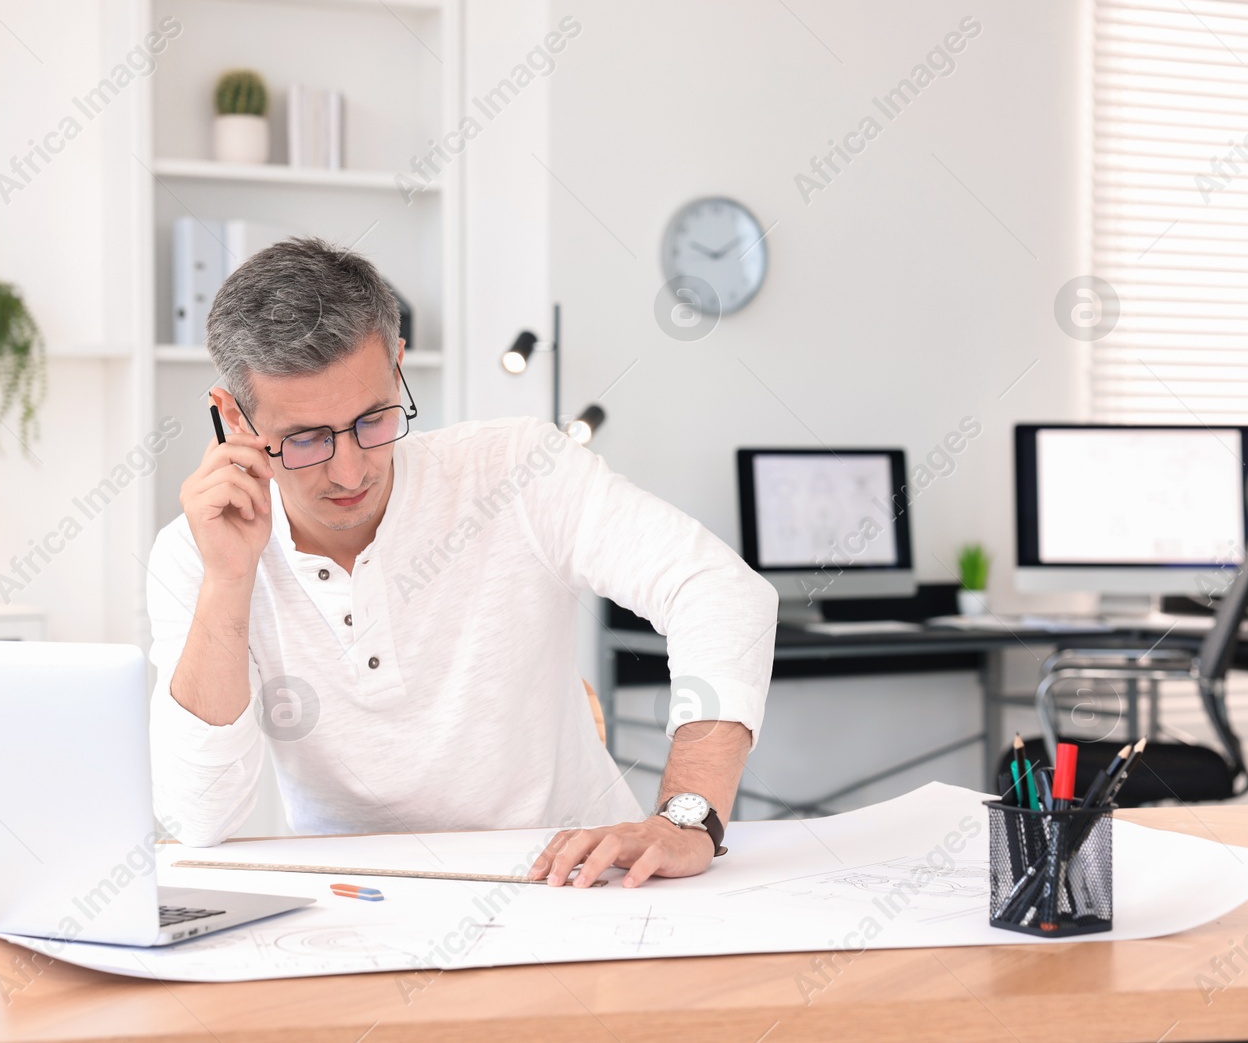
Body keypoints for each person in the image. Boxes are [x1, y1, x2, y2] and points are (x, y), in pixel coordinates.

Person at [146, 237, 777, 888]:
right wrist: (228, 581)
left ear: (397, 365)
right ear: (233, 418)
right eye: (305, 439)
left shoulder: (518, 469)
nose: (350, 468)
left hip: (586, 886)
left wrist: (686, 817)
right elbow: (198, 817)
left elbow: (720, 588)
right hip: (361, 908)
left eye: (374, 419)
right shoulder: (196, 554)